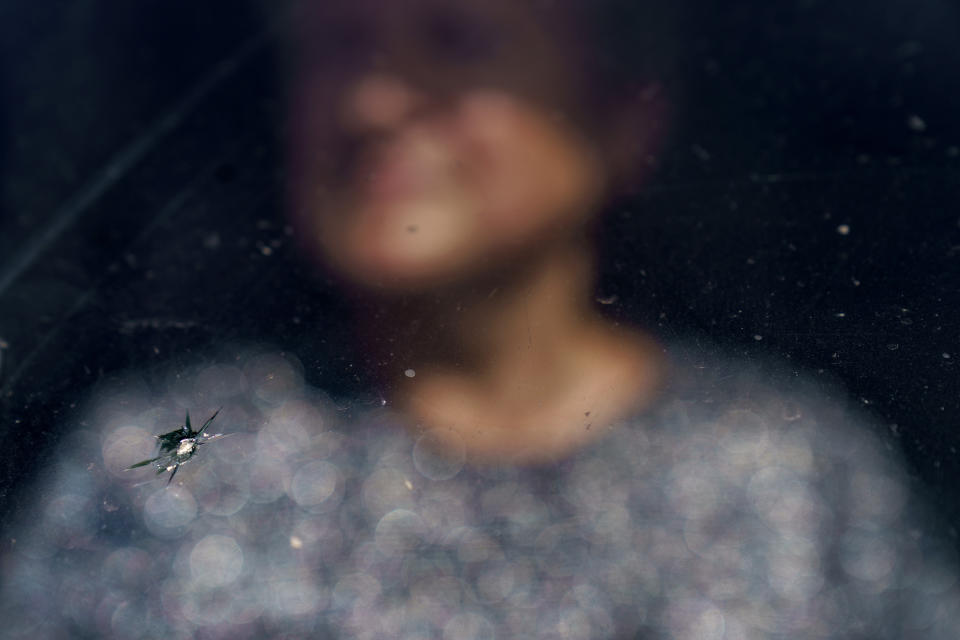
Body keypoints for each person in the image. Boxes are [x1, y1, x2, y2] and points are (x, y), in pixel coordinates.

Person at [1, 1, 958, 638]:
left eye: (458, 43)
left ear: (622, 117)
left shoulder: (786, 470)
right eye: (337, 49)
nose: (374, 100)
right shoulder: (166, 464)